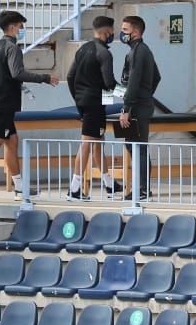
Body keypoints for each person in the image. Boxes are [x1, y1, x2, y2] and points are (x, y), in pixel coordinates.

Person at [0, 10, 58, 197]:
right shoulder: (12, 48)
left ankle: (19, 186)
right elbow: (17, 73)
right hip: (4, 102)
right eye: (20, 26)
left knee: (12, 143)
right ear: (12, 27)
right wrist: (44, 78)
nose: (22, 29)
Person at [66, 15, 121, 200]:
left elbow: (70, 77)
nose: (113, 34)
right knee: (87, 144)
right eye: (112, 31)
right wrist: (127, 95)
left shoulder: (83, 49)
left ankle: (109, 184)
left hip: (87, 102)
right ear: (107, 31)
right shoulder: (104, 53)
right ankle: (74, 188)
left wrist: (78, 99)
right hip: (94, 103)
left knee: (98, 142)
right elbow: (109, 82)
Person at [118, 15, 161, 198]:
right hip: (141, 102)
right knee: (133, 146)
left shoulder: (138, 51)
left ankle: (142, 189)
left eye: (125, 30)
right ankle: (141, 187)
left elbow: (134, 81)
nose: (122, 33)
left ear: (135, 32)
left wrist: (126, 109)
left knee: (139, 147)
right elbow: (156, 77)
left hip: (137, 106)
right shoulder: (143, 50)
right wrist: (147, 93)